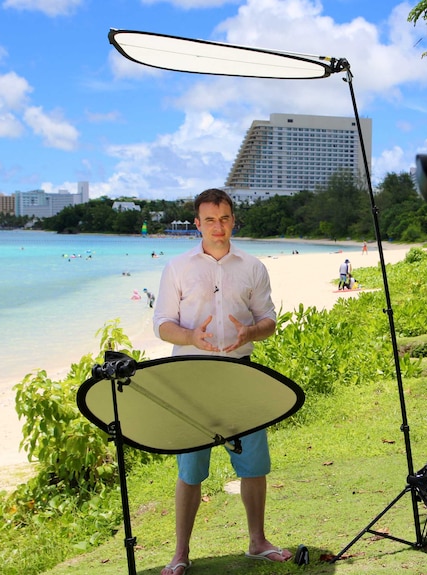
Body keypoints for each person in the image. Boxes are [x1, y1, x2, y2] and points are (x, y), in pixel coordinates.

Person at [153, 188, 291, 575]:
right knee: (190, 470)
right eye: (210, 219)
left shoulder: (252, 267)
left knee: (254, 466)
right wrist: (191, 337)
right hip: (191, 379)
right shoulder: (177, 268)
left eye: (225, 218)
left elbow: (269, 321)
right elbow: (162, 324)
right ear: (197, 224)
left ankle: (257, 541)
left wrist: (249, 333)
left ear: (233, 221)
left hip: (239, 376)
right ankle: (180, 553)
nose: (218, 226)